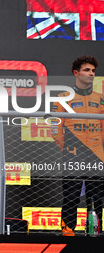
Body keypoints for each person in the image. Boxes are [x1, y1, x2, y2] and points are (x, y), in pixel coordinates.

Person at [51, 55, 104, 236]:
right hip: (73, 154)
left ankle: (95, 229)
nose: (91, 74)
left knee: (97, 196)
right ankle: (67, 230)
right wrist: (68, 150)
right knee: (72, 195)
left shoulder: (100, 98)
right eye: (86, 70)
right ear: (76, 73)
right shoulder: (63, 98)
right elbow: (55, 129)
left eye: (93, 71)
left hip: (97, 154)